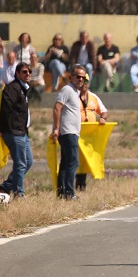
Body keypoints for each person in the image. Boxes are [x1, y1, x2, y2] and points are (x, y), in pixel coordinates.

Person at [0, 61, 33, 197]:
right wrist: (2, 128)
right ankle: (19, 193)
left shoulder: (23, 88)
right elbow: (5, 109)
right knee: (21, 163)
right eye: (24, 71)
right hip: (14, 132)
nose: (28, 74)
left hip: (23, 132)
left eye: (30, 72)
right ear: (17, 73)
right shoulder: (13, 88)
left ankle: (6, 186)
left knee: (28, 161)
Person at [51, 65, 88, 199]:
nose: (80, 79)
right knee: (73, 162)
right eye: (78, 76)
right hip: (67, 132)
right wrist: (56, 128)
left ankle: (62, 193)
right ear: (71, 77)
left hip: (71, 132)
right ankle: (69, 193)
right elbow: (57, 108)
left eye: (83, 77)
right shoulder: (67, 89)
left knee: (66, 163)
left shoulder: (75, 92)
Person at [74, 72, 109, 191]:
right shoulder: (73, 96)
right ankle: (70, 184)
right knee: (74, 159)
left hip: (89, 136)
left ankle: (81, 184)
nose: (84, 84)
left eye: (86, 82)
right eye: (82, 81)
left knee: (85, 160)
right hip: (76, 133)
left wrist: (103, 118)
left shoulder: (94, 97)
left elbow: (104, 111)